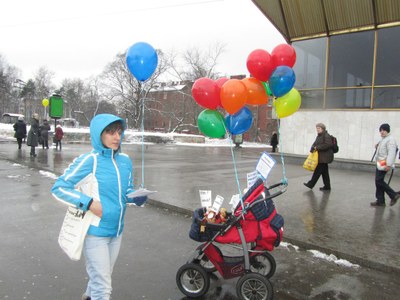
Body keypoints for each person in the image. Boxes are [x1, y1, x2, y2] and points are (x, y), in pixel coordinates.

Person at [51, 114, 147, 300]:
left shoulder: (125, 161)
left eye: (119, 132)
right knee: (103, 288)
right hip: (95, 234)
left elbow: (125, 193)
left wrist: (136, 198)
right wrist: (88, 203)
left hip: (116, 232)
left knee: (102, 276)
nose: (117, 137)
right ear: (99, 135)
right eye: (110, 132)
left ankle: (88, 296)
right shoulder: (90, 161)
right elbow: (59, 188)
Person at [370, 123, 400, 207]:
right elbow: (383, 150)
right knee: (378, 181)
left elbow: (391, 153)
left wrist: (389, 164)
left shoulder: (390, 140)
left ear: (387, 130)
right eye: (381, 130)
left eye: (384, 130)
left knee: (379, 181)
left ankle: (393, 195)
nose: (382, 132)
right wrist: (377, 147)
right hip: (380, 162)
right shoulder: (384, 139)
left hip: (385, 162)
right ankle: (380, 200)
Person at [303, 123, 334, 191]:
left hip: (324, 157)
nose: (317, 129)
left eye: (319, 128)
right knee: (325, 173)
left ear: (322, 129)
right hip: (321, 157)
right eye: (317, 128)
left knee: (317, 171)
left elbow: (328, 144)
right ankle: (327, 186)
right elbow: (315, 143)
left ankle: (311, 184)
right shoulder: (319, 136)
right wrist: (312, 148)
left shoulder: (326, 135)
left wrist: (317, 147)